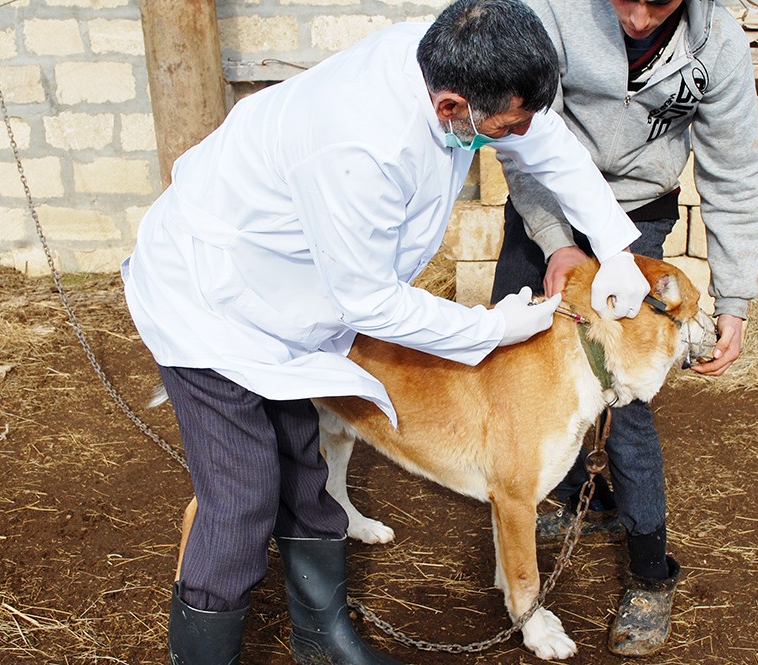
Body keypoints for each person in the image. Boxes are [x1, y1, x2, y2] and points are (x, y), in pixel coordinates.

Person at [122, 0, 652, 662]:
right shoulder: (358, 144)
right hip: (214, 297)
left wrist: (615, 246)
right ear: (451, 107)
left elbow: (548, 145)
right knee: (239, 503)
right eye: (504, 126)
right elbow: (369, 301)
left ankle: (323, 639)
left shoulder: (457, 61)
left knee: (304, 484)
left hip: (298, 297)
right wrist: (489, 326)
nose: (516, 134)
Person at [490, 0, 758, 658]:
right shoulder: (553, 13)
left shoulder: (718, 44)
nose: (640, 19)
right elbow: (519, 132)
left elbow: (732, 173)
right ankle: (544, 496)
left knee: (626, 395)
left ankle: (648, 570)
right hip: (547, 199)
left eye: (660, 2)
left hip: (637, 213)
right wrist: (556, 239)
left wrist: (736, 297)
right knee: (510, 364)